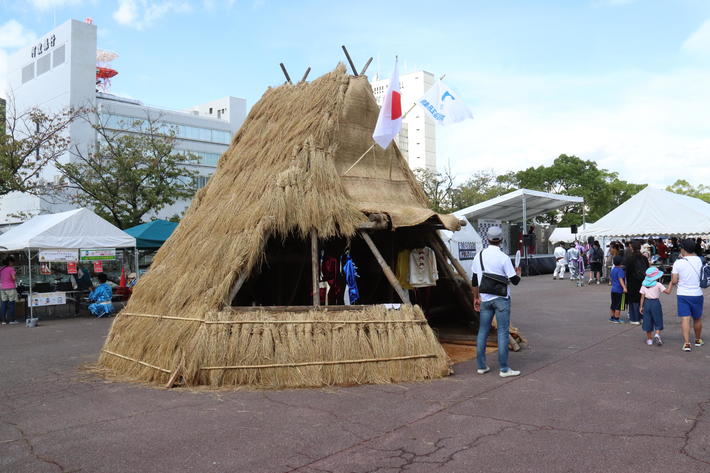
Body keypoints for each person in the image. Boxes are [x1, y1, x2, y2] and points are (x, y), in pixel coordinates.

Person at [471, 226, 522, 377]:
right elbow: (515, 281)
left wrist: (475, 297)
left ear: (486, 239)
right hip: (501, 299)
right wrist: (518, 272)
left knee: (483, 332)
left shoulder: (478, 255)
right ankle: (504, 369)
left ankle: (481, 366)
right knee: (502, 332)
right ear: (501, 240)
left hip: (485, 299)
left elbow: (474, 281)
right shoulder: (504, 257)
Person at [666, 239, 704, 351]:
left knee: (685, 319)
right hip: (697, 293)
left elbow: (674, 280)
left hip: (683, 294)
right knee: (697, 318)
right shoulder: (699, 260)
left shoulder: (678, 262)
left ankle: (687, 344)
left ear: (683, 249)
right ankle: (697, 340)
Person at [639, 267, 670, 346]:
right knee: (658, 319)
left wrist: (641, 307)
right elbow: (668, 292)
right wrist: (671, 283)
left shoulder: (644, 285)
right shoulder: (658, 284)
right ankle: (657, 334)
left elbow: (642, 297)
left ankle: (649, 339)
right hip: (655, 303)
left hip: (647, 303)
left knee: (647, 321)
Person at [624, 241, 649, 326]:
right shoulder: (644, 258)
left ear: (632, 248)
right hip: (643, 281)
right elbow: (647, 270)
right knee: (642, 298)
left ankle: (634, 318)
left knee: (633, 300)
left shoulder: (630, 258)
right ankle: (642, 317)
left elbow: (627, 272)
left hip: (632, 282)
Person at [0, 256, 19, 325]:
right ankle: (12, 320)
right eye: (12, 262)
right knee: (12, 304)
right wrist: (15, 278)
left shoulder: (1, 269)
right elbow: (14, 278)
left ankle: (3, 321)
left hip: (2, 288)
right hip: (10, 288)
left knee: (4, 303)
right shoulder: (11, 269)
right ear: (10, 262)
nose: (13, 263)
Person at [609, 255, 627, 324]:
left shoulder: (613, 269)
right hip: (619, 290)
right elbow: (620, 279)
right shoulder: (620, 270)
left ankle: (612, 317)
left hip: (613, 289)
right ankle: (617, 318)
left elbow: (611, 278)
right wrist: (624, 287)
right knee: (618, 305)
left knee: (613, 304)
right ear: (621, 262)